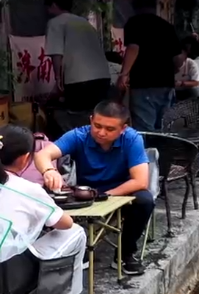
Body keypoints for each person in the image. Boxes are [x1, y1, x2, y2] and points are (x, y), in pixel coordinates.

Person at [34, 101, 153, 275]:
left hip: (122, 191)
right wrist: (49, 171)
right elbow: (42, 154)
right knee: (45, 195)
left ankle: (125, 254)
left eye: (110, 129)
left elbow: (140, 181)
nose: (101, 132)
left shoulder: (132, 139)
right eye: (97, 126)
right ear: (91, 120)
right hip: (86, 191)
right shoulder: (78, 136)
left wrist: (105, 194)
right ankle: (71, 249)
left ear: (123, 129)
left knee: (144, 200)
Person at [0, 125, 87, 294]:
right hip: (12, 272)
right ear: (25, 158)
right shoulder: (29, 189)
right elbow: (65, 224)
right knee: (76, 232)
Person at [119, 0, 184, 131]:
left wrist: (124, 74)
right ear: (154, 8)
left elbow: (133, 48)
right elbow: (178, 58)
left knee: (145, 129)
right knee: (164, 127)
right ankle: (161, 145)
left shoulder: (135, 23)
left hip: (144, 83)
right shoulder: (167, 26)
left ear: (136, 8)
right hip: (166, 84)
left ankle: (148, 146)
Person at [44, 0, 111, 112]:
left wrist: (58, 79)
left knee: (77, 116)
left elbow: (56, 54)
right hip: (103, 77)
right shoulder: (83, 22)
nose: (48, 12)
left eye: (48, 8)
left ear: (53, 5)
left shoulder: (56, 22)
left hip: (79, 80)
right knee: (97, 115)